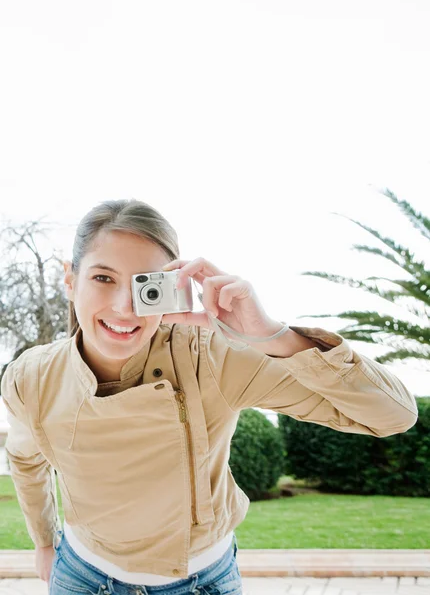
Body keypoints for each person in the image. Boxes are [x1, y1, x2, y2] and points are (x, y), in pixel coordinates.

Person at [1, 199, 418, 595]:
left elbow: (393, 416)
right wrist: (43, 542)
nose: (124, 308)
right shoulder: (32, 376)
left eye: (146, 285)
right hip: (82, 574)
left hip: (201, 580)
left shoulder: (212, 356)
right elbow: (25, 459)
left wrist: (270, 334)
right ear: (71, 280)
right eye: (103, 278)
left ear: (170, 287)